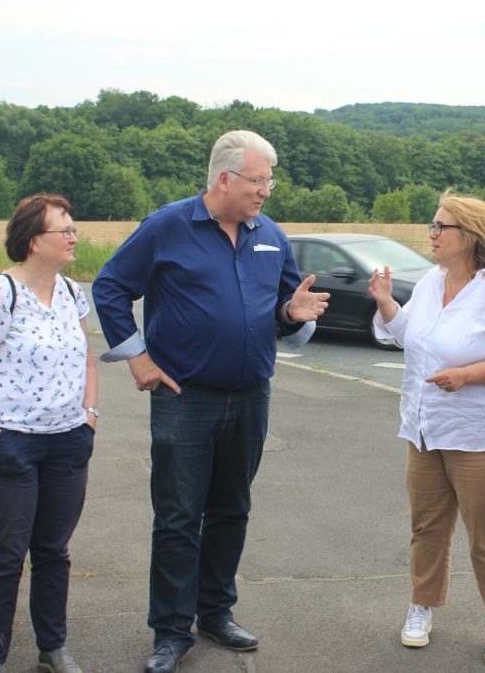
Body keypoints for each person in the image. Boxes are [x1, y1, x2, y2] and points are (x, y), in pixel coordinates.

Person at [91, 130, 329, 673]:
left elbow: (286, 312)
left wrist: (295, 314)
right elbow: (109, 286)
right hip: (184, 397)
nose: (266, 190)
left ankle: (215, 611)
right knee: (177, 517)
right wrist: (138, 357)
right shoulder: (167, 226)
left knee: (231, 510)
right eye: (259, 180)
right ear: (224, 179)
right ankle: (171, 632)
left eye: (270, 180)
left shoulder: (270, 235)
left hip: (250, 396)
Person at [368, 191, 485, 664]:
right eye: (433, 224)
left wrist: (467, 376)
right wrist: (386, 305)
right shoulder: (429, 282)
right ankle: (422, 606)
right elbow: (410, 338)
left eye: (443, 226)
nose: (433, 233)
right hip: (426, 428)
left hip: (482, 432)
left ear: (471, 237)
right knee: (426, 527)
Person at [0, 194, 97, 673]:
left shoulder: (74, 293)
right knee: (7, 555)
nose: (74, 236)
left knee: (53, 553)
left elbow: (86, 360)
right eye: (64, 230)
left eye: (73, 228)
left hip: (66, 444)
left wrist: (88, 416)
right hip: (5, 446)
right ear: (35, 242)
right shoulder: (0, 294)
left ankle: (52, 648)